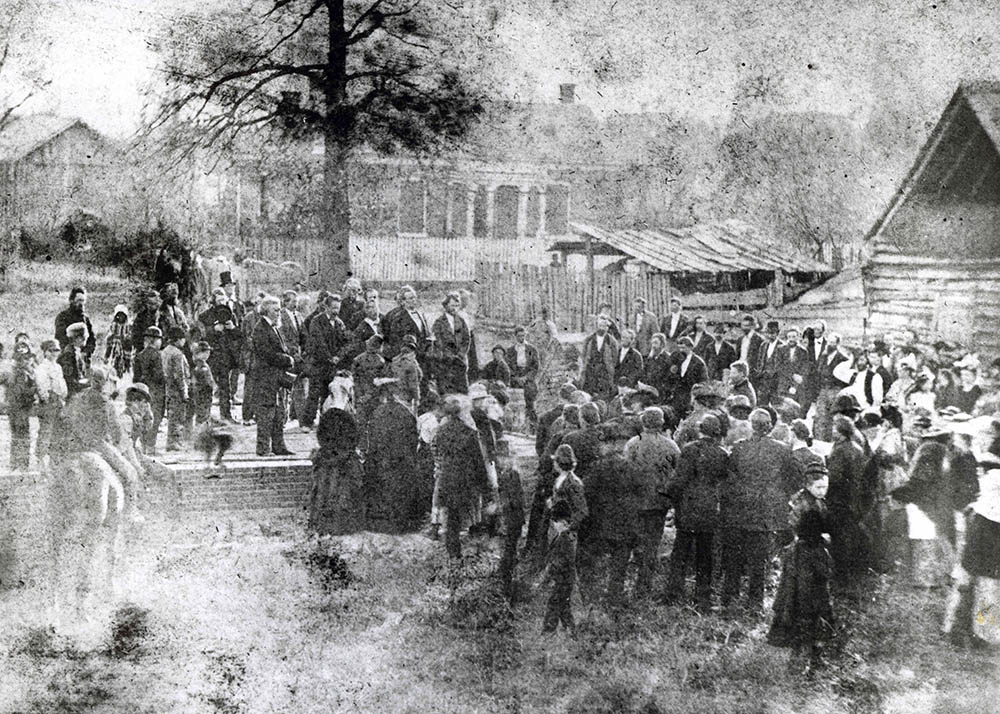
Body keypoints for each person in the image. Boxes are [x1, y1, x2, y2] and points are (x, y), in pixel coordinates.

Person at [720, 408, 801, 614]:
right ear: (770, 426)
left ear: (751, 424)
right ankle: (755, 602)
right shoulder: (782, 449)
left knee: (734, 556)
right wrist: (780, 494)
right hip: (765, 511)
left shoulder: (739, 448)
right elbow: (796, 477)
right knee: (759, 559)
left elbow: (728, 478)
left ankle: (729, 599)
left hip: (740, 510)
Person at [768, 462, 835, 673]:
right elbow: (796, 530)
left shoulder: (817, 501)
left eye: (825, 487)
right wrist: (821, 537)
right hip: (804, 558)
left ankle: (814, 655)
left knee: (815, 604)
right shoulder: (802, 504)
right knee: (802, 604)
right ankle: (800, 656)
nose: (823, 491)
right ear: (808, 486)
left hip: (814, 557)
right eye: (818, 487)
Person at [665, 413, 728, 609]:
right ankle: (703, 598)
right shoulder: (722, 453)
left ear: (700, 429)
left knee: (681, 552)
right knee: (705, 555)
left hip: (688, 507)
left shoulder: (690, 450)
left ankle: (673, 593)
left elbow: (679, 481)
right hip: (709, 509)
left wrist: (673, 501)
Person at [623, 406, 679, 599]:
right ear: (661, 423)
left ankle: (627, 585)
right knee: (652, 544)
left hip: (636, 500)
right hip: (658, 502)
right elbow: (676, 473)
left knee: (633, 540)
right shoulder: (670, 445)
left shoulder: (632, 444)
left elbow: (625, 470)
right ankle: (644, 586)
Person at [309, 371, 365, 535]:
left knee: (323, 494)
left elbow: (321, 437)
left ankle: (322, 526)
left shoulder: (327, 412)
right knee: (343, 494)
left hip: (327, 461)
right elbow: (354, 437)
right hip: (343, 462)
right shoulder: (346, 415)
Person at [433, 394, 489, 559]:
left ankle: (452, 547)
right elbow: (478, 460)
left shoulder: (441, 431)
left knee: (451, 514)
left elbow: (436, 452)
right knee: (462, 514)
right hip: (464, 478)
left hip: (446, 476)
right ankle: (460, 547)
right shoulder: (469, 433)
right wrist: (483, 483)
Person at [826, 414, 875, 581]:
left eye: (834, 428)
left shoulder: (840, 450)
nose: (832, 431)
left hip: (839, 498)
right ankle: (851, 571)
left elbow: (835, 477)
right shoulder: (856, 447)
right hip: (853, 497)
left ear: (840, 432)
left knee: (839, 536)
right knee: (848, 533)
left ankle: (840, 574)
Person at [368, 381, 422, 531]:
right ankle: (403, 524)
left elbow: (372, 438)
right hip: (402, 459)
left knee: (382, 489)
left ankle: (381, 523)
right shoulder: (406, 414)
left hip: (381, 458)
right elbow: (413, 439)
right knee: (401, 490)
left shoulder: (377, 413)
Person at [250, 295, 296, 457]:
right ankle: (263, 448)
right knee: (266, 413)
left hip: (275, 378)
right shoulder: (261, 328)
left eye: (279, 310)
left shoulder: (274, 327)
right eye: (275, 310)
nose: (279, 313)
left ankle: (278, 446)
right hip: (265, 378)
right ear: (266, 311)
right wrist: (287, 359)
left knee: (278, 414)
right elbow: (267, 354)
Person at [302, 293, 349, 430]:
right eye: (333, 308)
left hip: (332, 365)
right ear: (326, 307)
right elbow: (319, 342)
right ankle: (307, 422)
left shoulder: (340, 323)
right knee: (314, 393)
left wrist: (339, 356)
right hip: (318, 363)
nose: (336, 311)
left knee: (328, 394)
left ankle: (325, 422)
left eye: (338, 308)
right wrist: (330, 357)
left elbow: (345, 343)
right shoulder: (317, 321)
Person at [198, 288, 240, 423]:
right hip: (211, 355)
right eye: (219, 300)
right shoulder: (205, 316)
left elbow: (238, 335)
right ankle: (206, 417)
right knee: (208, 386)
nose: (222, 303)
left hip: (226, 355)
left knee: (225, 387)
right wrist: (212, 330)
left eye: (224, 300)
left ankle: (226, 415)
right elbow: (199, 334)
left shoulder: (230, 314)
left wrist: (232, 328)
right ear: (213, 301)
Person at [541, 499, 578, 635]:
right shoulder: (563, 536)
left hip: (563, 579)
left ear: (563, 522)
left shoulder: (565, 539)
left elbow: (563, 560)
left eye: (555, 522)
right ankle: (571, 630)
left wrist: (551, 570)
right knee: (563, 606)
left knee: (554, 604)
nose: (554, 525)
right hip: (565, 579)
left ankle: (548, 631)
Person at [495, 439, 525, 601]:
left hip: (512, 520)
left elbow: (514, 501)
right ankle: (508, 583)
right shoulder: (508, 473)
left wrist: (498, 508)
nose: (499, 461)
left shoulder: (511, 475)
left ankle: (508, 590)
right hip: (512, 520)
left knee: (509, 552)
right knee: (509, 551)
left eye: (502, 457)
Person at [132, 326, 166, 454]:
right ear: (154, 340)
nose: (160, 342)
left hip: (142, 392)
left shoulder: (139, 355)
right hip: (156, 392)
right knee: (155, 418)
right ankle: (151, 447)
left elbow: (135, 378)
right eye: (159, 340)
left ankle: (144, 445)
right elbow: (159, 376)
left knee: (144, 418)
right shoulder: (157, 355)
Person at [351, 334, 387, 452]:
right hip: (376, 398)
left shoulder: (357, 359)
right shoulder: (381, 361)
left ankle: (362, 449)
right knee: (377, 425)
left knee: (361, 424)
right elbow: (380, 383)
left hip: (361, 397)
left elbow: (354, 380)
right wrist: (370, 395)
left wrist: (361, 395)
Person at [34, 339, 67, 464]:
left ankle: (54, 459)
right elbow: (42, 386)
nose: (54, 353)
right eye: (51, 351)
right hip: (48, 402)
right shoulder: (42, 367)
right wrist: (47, 398)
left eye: (56, 350)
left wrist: (62, 395)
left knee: (57, 431)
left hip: (58, 401)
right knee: (45, 431)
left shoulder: (58, 367)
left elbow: (62, 384)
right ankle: (40, 458)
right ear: (45, 352)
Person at [432, 291, 472, 395]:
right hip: (445, 363)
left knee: (463, 392)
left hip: (460, 362)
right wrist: (448, 355)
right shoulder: (439, 322)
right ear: (445, 306)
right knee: (446, 392)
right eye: (452, 305)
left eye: (457, 306)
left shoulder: (461, 321)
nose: (455, 308)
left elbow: (467, 339)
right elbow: (437, 341)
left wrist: (461, 354)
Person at [813, 335, 850, 441]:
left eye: (833, 342)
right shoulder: (823, 356)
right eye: (829, 342)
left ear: (838, 344)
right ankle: (819, 440)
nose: (830, 344)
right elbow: (818, 373)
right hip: (823, 390)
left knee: (833, 417)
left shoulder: (843, 359)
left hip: (835, 390)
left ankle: (831, 441)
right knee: (820, 417)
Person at [7, 339, 37, 470]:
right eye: (22, 359)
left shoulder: (20, 372)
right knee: (22, 437)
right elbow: (21, 393)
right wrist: (33, 390)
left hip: (17, 409)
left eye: (26, 358)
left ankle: (17, 464)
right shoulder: (20, 374)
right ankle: (21, 465)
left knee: (19, 436)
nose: (26, 361)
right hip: (19, 409)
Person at [162, 326, 191, 451]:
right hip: (176, 390)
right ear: (178, 339)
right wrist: (184, 392)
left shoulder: (165, 351)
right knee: (178, 416)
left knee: (171, 415)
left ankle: (171, 441)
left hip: (167, 388)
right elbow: (180, 375)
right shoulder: (177, 354)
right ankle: (174, 442)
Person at [580, 314, 619, 401]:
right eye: (600, 325)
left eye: (604, 326)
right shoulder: (588, 340)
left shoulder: (612, 342)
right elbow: (584, 355)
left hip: (604, 374)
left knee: (603, 397)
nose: (602, 328)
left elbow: (614, 359)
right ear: (596, 325)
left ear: (607, 327)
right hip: (590, 372)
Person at [507, 326, 540, 425]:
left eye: (523, 336)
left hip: (527, 376)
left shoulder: (531, 349)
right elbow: (508, 366)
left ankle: (531, 421)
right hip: (515, 377)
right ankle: (513, 422)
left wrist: (526, 377)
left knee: (530, 392)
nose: (521, 338)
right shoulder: (511, 350)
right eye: (519, 336)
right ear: (515, 336)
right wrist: (516, 378)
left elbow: (536, 366)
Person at [667, 336, 707, 419]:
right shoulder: (675, 358)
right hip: (677, 396)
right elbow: (668, 376)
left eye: (683, 348)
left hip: (689, 395)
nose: (681, 350)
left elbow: (704, 380)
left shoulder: (698, 362)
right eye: (679, 348)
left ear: (690, 347)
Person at [54, 286, 96, 362]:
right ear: (71, 300)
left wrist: (86, 352)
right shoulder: (62, 317)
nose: (81, 304)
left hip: (83, 358)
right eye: (79, 300)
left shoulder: (85, 319)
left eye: (83, 301)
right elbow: (60, 336)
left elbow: (91, 339)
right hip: (67, 357)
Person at [756, 320, 785, 408]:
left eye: (773, 333)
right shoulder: (763, 345)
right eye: (768, 333)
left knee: (776, 406)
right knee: (762, 404)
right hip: (764, 381)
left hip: (776, 381)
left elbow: (784, 365)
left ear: (777, 333)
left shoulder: (783, 346)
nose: (770, 335)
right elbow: (760, 361)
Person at [391, 334, 423, 410]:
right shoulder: (410, 363)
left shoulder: (395, 360)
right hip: (406, 395)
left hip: (396, 394)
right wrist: (417, 398)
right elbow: (413, 383)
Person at [58, 322, 90, 397]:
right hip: (73, 394)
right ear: (76, 338)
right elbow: (69, 380)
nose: (86, 337)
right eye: (83, 336)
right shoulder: (68, 355)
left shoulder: (77, 351)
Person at [191, 341, 216, 425]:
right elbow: (206, 381)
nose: (208, 354)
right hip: (203, 393)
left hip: (201, 393)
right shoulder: (201, 365)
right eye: (206, 352)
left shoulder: (198, 363)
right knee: (203, 415)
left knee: (203, 414)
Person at [104, 304, 132, 378]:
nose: (121, 318)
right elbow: (110, 335)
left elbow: (129, 335)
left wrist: (127, 338)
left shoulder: (128, 326)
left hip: (124, 344)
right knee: (113, 354)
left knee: (126, 357)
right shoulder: (114, 325)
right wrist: (111, 337)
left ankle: (127, 367)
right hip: (115, 344)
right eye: (119, 316)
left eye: (123, 316)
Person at [131, 288, 161, 353]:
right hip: (143, 349)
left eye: (154, 303)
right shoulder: (141, 316)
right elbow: (135, 333)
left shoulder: (163, 316)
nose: (151, 306)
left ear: (158, 303)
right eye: (150, 303)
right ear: (146, 303)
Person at [736, 314, 763, 385]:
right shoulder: (740, 339)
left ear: (752, 326)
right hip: (740, 372)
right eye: (743, 325)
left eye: (747, 326)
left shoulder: (759, 339)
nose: (744, 328)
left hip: (752, 373)